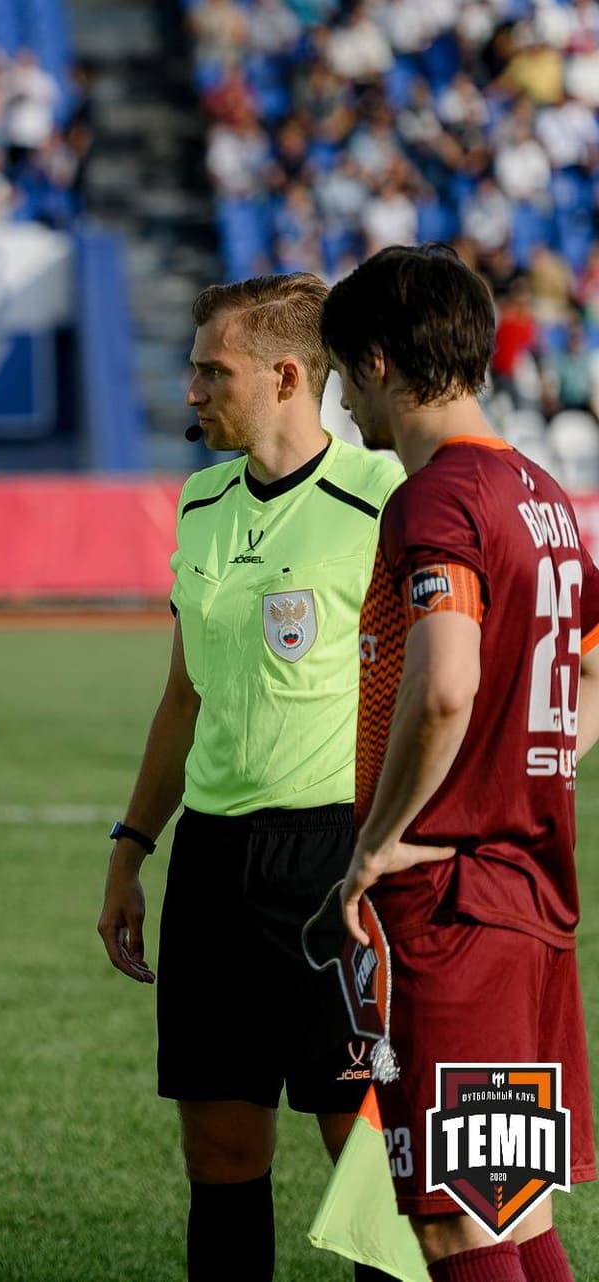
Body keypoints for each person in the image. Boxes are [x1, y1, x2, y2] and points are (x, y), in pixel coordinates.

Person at [96, 273, 404, 1282]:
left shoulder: (383, 499)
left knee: (368, 1157)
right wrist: (131, 849)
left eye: (211, 371)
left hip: (337, 864)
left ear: (284, 377)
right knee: (220, 1151)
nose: (191, 390)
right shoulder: (198, 503)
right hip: (212, 864)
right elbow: (182, 698)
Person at [331, 243, 597, 1282]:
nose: (347, 403)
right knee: (509, 1207)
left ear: (380, 361)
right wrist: (528, 760)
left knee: (455, 1223)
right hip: (529, 895)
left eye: (346, 374)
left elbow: (445, 687)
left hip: (452, 908)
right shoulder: (541, 491)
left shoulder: (437, 497)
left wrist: (380, 841)